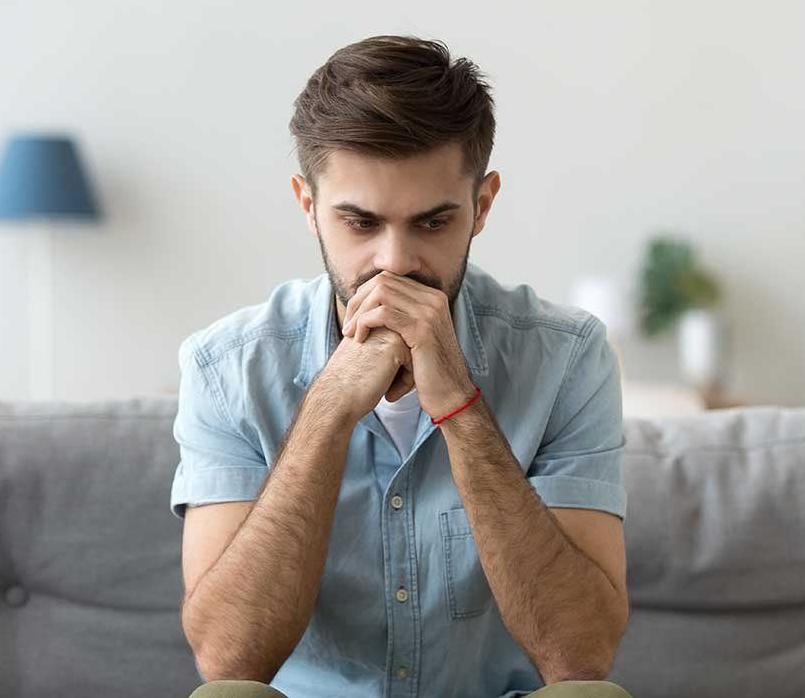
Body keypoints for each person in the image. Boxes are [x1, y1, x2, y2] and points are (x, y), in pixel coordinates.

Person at [171, 34, 632, 698]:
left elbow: (581, 656)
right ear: (308, 206)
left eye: (432, 222)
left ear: (482, 205)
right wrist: (328, 408)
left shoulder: (564, 357)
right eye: (359, 223)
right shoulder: (226, 367)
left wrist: (461, 410)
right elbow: (228, 658)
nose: (394, 261)